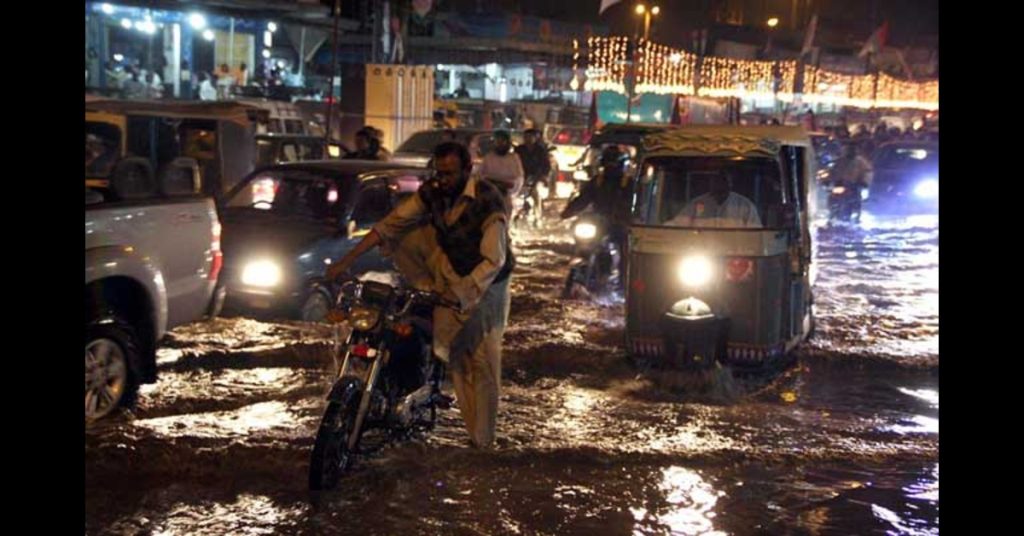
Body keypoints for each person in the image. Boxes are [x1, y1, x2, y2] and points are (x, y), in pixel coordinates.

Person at [325, 142, 514, 449]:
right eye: (439, 173)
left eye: (450, 174)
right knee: (456, 358)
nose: (443, 180)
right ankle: (472, 431)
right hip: (451, 271)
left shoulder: (487, 200)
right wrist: (344, 262)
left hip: (489, 284)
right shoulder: (433, 192)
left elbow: (494, 260)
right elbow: (389, 226)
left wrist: (462, 295)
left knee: (482, 360)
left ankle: (483, 442)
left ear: (467, 171)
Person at [667, 173, 762, 228]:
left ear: (730, 183)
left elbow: (757, 231)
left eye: (723, 180)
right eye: (716, 180)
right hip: (700, 255)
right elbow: (677, 224)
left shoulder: (745, 206)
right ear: (710, 183)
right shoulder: (696, 204)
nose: (719, 183)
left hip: (735, 256)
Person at [513, 128, 552, 221]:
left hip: (536, 177)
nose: (528, 139)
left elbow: (546, 165)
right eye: (526, 137)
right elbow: (513, 163)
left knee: (536, 194)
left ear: (535, 138)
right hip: (521, 177)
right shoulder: (519, 150)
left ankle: (538, 217)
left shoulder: (540, 150)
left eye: (530, 137)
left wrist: (542, 176)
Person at [478, 130, 524, 207]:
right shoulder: (488, 157)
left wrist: (507, 185)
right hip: (490, 190)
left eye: (503, 141)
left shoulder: (514, 158)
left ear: (507, 143)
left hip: (507, 191)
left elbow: (518, 177)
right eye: (497, 141)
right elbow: (481, 175)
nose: (500, 144)